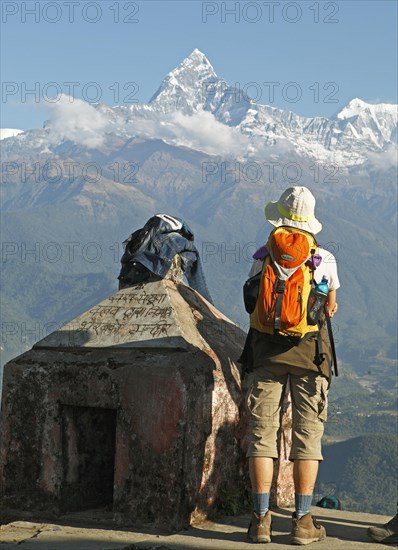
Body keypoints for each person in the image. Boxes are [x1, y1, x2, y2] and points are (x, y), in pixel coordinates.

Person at [245, 186, 339, 545]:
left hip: (266, 354)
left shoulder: (262, 255)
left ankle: (260, 520)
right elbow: (329, 309)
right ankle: (301, 522)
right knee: (306, 440)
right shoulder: (324, 258)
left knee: (262, 436)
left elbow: (253, 303)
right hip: (311, 356)